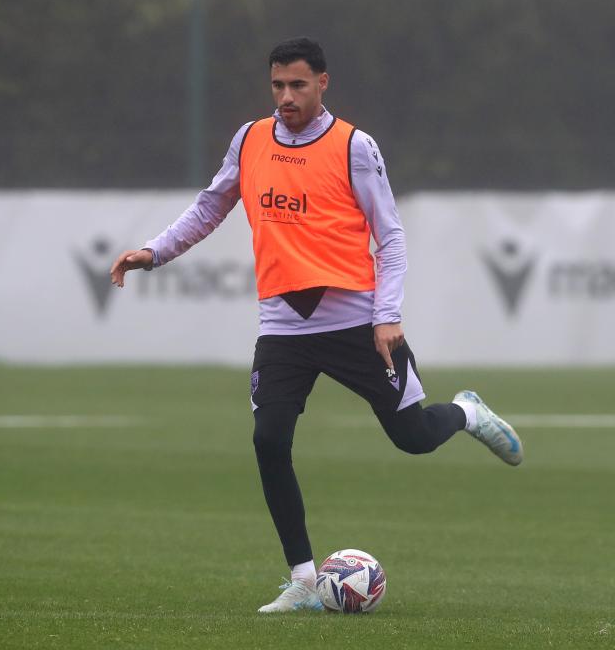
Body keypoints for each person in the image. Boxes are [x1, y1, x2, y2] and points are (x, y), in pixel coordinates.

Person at [110, 37, 524, 613]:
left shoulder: (354, 146)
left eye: (298, 85)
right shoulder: (250, 139)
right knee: (268, 440)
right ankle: (304, 578)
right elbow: (210, 206)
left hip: (356, 321)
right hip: (284, 327)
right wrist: (154, 251)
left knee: (413, 438)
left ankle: (467, 413)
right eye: (277, 85)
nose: (286, 96)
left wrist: (387, 316)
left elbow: (391, 236)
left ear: (322, 83)